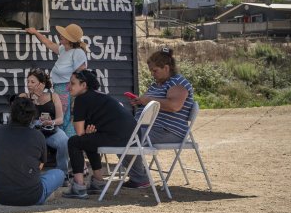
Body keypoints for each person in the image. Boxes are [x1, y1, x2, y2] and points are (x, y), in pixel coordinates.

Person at [122, 47, 196, 188]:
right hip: (153, 128)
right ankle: (139, 177)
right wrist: (140, 102)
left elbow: (174, 105)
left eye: (155, 70)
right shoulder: (158, 84)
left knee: (125, 139)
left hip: (169, 130)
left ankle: (140, 178)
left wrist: (148, 100)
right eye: (151, 70)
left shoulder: (178, 83)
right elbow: (152, 102)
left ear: (166, 68)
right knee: (120, 137)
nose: (152, 74)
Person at [63, 69, 136, 199]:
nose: (69, 87)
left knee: (74, 142)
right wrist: (87, 133)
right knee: (88, 139)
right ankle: (98, 182)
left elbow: (79, 132)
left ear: (83, 85)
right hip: (132, 138)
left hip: (119, 138)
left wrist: (85, 132)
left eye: (72, 83)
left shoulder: (82, 99)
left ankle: (78, 186)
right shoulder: (98, 95)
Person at [0, 96, 66, 206]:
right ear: (33, 116)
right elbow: (41, 164)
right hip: (32, 197)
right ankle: (42, 191)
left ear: (11, 113)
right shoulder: (38, 135)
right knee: (59, 173)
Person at [24, 23, 88, 137]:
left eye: (64, 35)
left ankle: (66, 145)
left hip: (67, 88)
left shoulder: (77, 52)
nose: (60, 35)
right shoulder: (64, 50)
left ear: (70, 39)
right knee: (62, 117)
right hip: (59, 88)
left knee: (64, 119)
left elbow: (82, 74)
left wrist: (74, 93)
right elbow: (48, 43)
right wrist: (35, 32)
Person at [17, 68, 70, 179]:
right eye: (28, 82)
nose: (29, 85)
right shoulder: (24, 97)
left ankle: (62, 174)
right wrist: (34, 99)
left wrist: (52, 121)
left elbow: (60, 119)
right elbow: (20, 117)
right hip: (31, 131)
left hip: (49, 129)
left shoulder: (53, 96)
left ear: (42, 84)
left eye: (32, 82)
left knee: (64, 141)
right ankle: (29, 174)